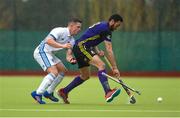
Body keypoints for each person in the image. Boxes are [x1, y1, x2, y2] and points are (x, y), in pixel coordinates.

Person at [57, 14, 123, 104]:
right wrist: (114, 67)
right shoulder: (106, 29)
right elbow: (109, 50)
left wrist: (97, 51)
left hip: (79, 47)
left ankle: (64, 91)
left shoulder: (102, 25)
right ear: (112, 22)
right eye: (117, 25)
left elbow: (91, 37)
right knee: (101, 65)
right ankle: (108, 92)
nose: (116, 28)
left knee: (85, 76)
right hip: (82, 47)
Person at [31, 18, 82, 104]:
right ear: (71, 25)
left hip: (50, 54)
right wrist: (63, 46)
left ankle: (48, 92)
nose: (79, 29)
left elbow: (68, 55)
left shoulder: (72, 40)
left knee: (63, 70)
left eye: (80, 27)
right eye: (78, 27)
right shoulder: (59, 30)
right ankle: (38, 94)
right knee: (54, 72)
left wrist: (71, 59)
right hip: (42, 51)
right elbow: (48, 41)